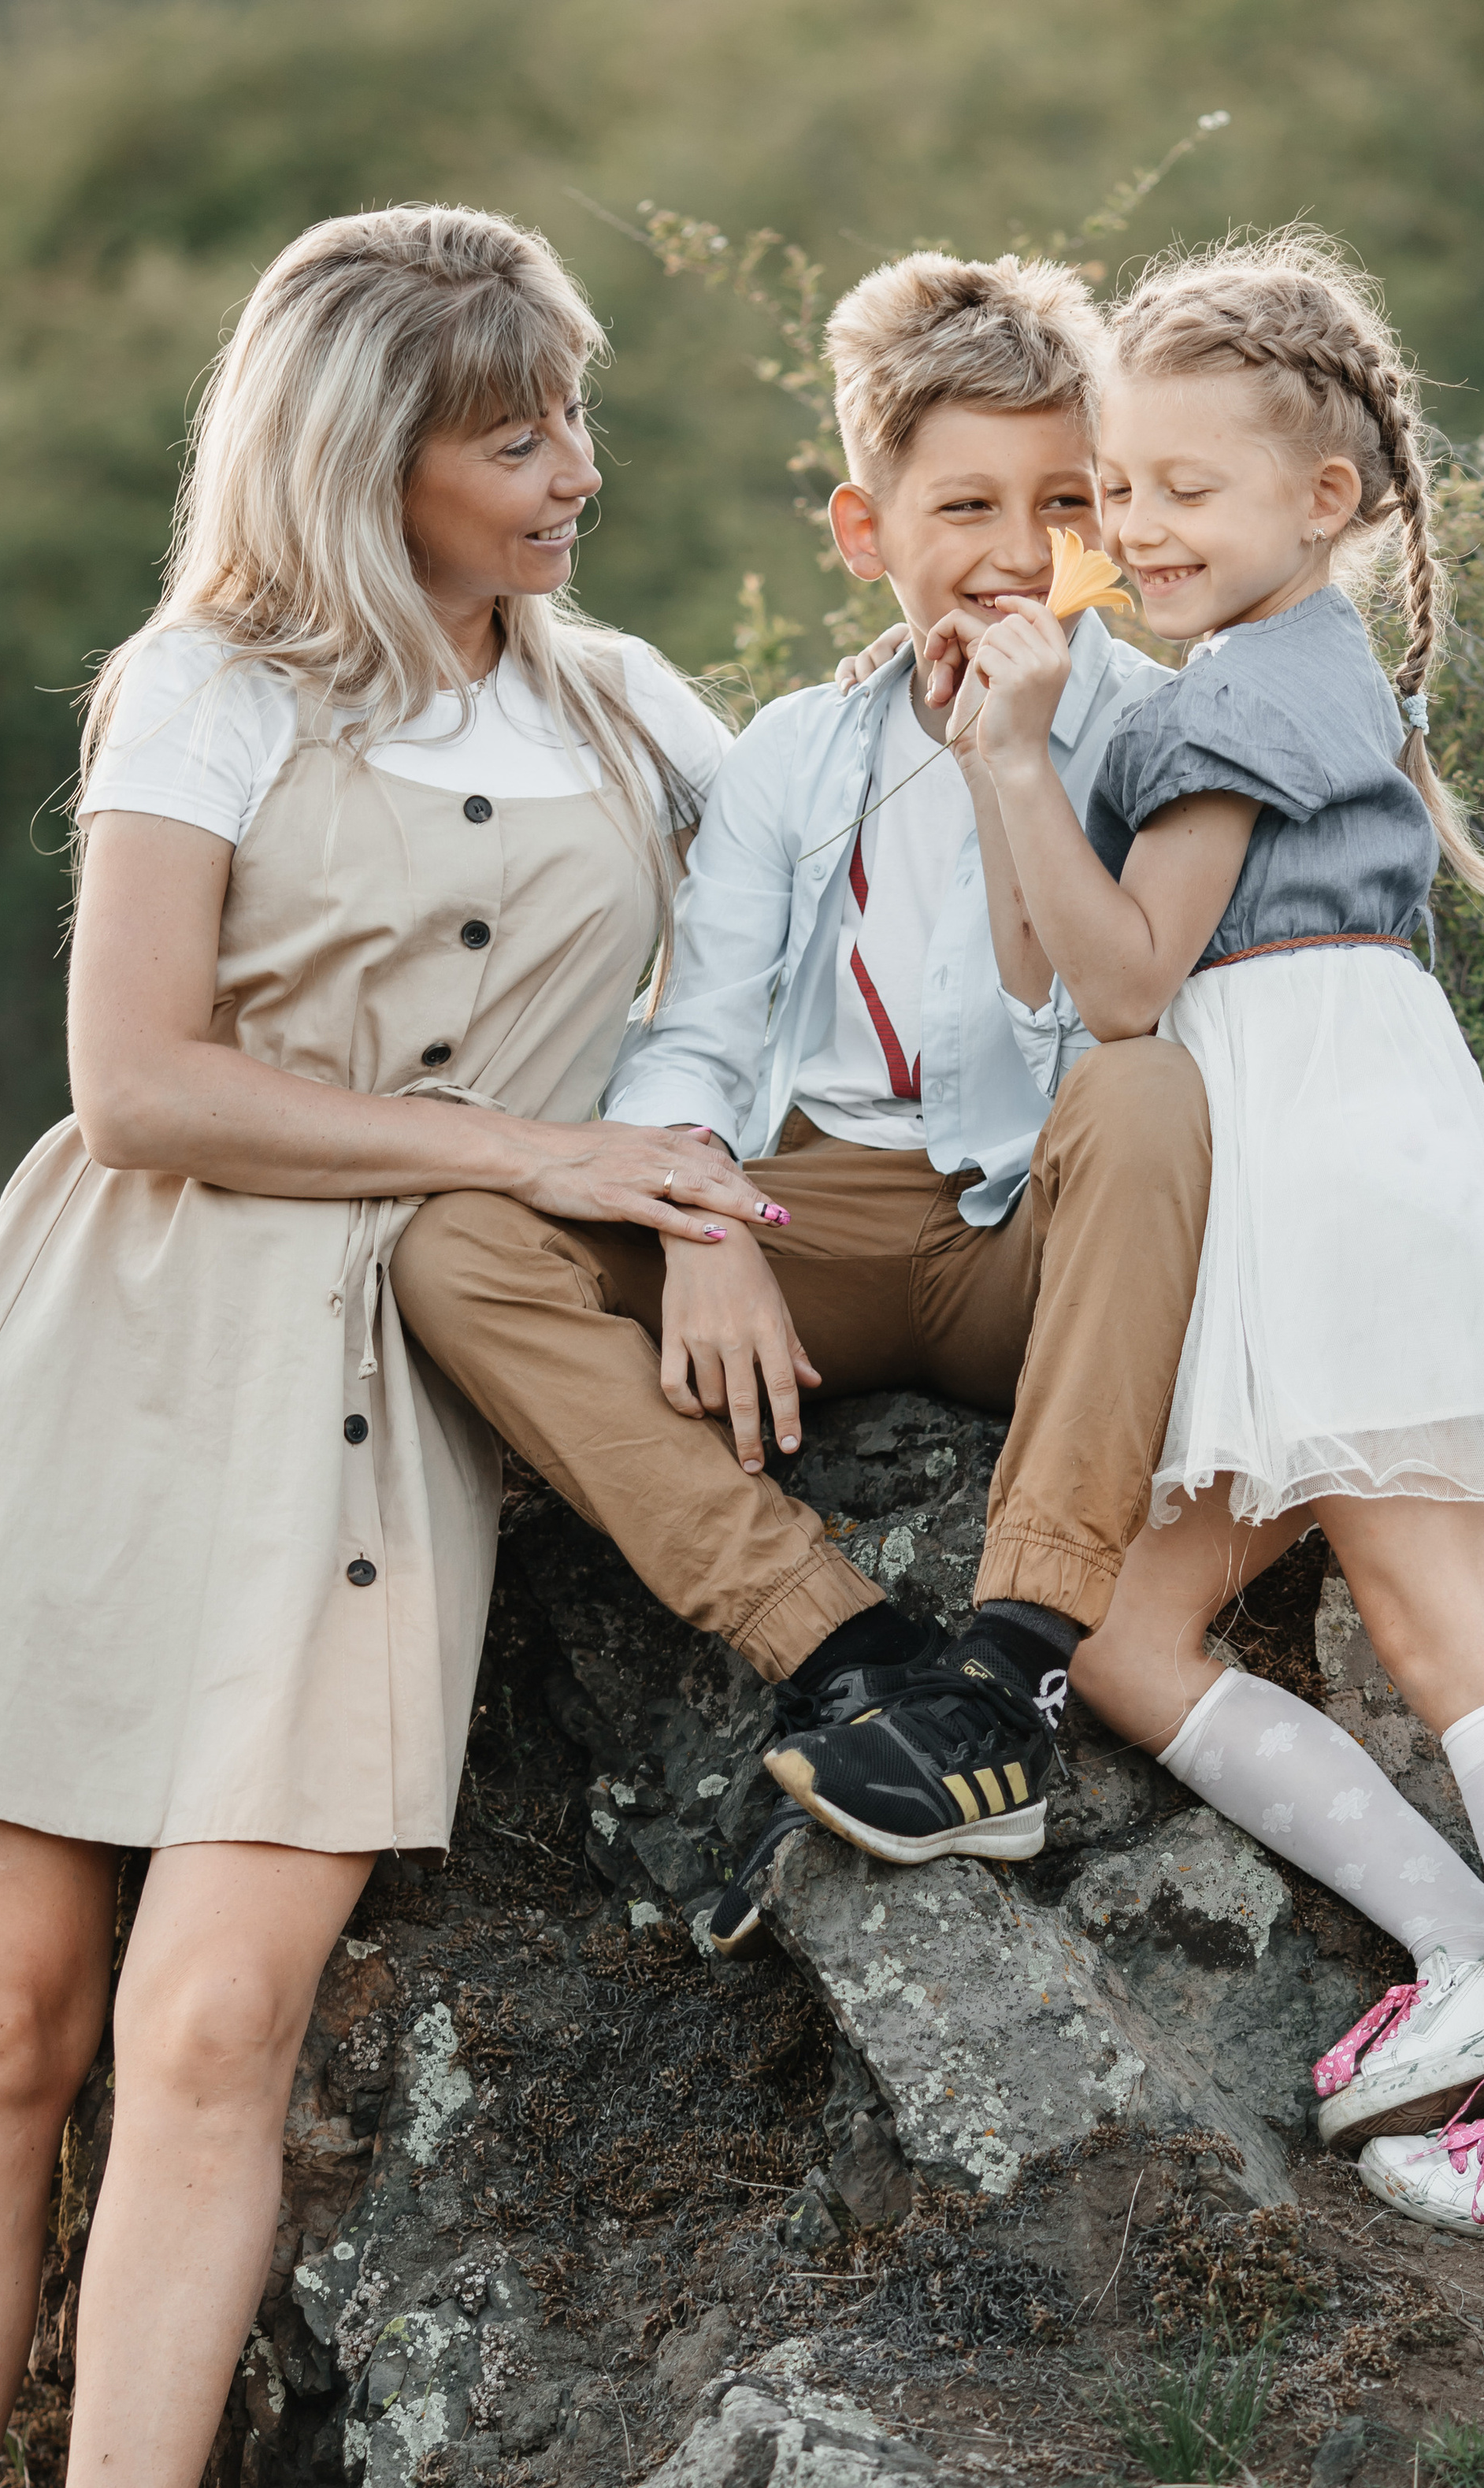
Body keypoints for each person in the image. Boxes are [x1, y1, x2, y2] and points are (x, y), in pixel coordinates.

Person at [0, 204, 764, 2488]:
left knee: (212, 2030)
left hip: (381, 1433)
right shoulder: (208, 683)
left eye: (572, 418)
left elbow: (777, 993)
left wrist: (700, 1190)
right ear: (368, 460)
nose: (579, 471)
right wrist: (556, 1157)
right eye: (520, 435)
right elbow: (139, 1082)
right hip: (107, 1383)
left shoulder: (633, 708)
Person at [774, 232, 1484, 2241]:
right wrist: (997, 751)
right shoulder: (1196, 691)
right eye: (1119, 490)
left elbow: (1112, 992)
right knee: (1116, 1633)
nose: (1133, 529)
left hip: (1332, 1179)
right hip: (1274, 1186)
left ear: (1320, 503)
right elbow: (1036, 950)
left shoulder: (1262, 692)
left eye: (1183, 490)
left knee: (1445, 1639)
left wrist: (1023, 763)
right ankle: (1472, 1950)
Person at [393, 251, 1211, 1953]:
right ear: (865, 531)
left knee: (1143, 1097)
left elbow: (1100, 1018)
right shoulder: (787, 750)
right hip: (819, 1204)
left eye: (1062, 504)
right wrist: (700, 1215)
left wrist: (1020, 757)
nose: (1010, 551)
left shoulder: (1151, 727)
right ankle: (842, 1647)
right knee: (458, 1252)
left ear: (1111, 525)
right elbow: (693, 1030)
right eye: (963, 504)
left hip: (1036, 1235)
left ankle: (1011, 1657)